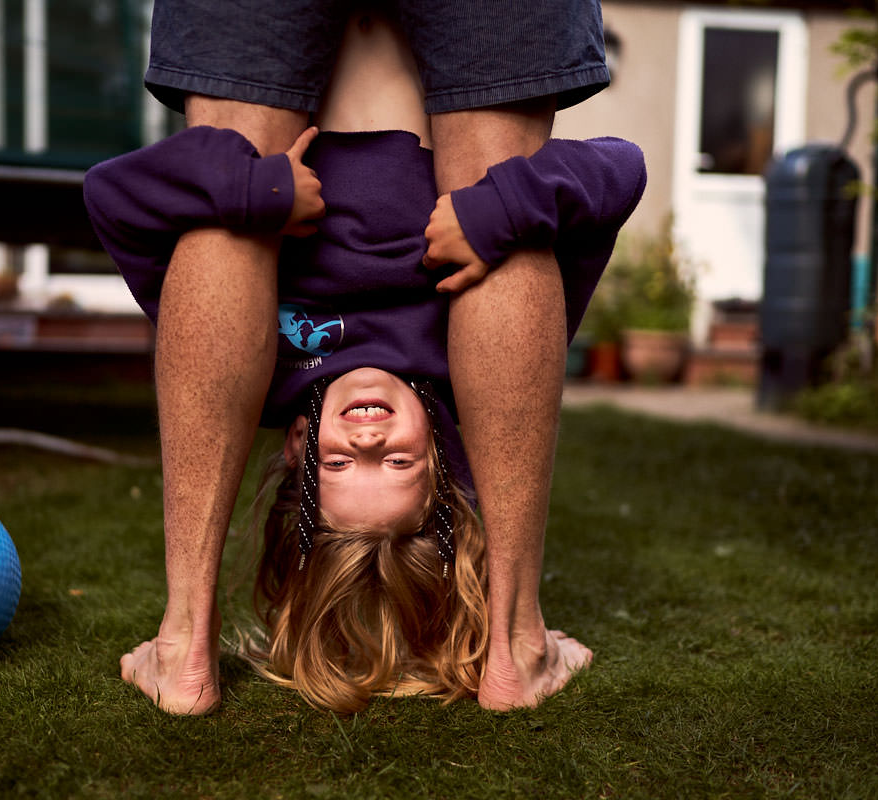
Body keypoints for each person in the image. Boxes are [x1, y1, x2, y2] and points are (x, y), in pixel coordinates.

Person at [84, 11, 645, 713]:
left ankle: (184, 651)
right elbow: (621, 170)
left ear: (297, 448)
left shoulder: (264, 372)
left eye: (342, 465)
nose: (370, 440)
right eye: (399, 464)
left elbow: (112, 196)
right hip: (455, 100)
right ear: (444, 458)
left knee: (225, 192)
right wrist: (501, 209)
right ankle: (514, 648)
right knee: (507, 197)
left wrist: (252, 192)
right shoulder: (473, 373)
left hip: (287, 106)